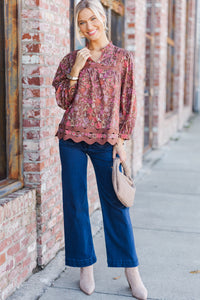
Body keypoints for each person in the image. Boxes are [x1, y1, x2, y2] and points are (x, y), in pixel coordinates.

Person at [52, 0, 147, 299]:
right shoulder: (71, 59)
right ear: (77, 26)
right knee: (76, 205)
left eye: (92, 19)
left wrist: (122, 144)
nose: (88, 26)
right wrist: (77, 69)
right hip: (71, 140)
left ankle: (131, 272)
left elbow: (128, 104)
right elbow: (63, 101)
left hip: (106, 141)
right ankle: (85, 268)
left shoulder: (123, 58)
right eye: (81, 22)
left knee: (116, 206)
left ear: (103, 19)